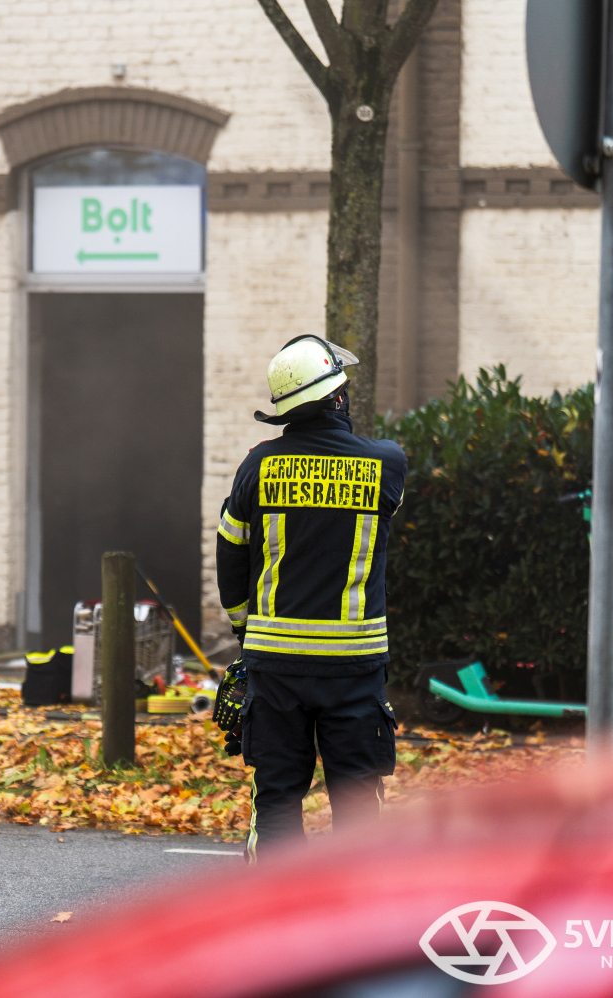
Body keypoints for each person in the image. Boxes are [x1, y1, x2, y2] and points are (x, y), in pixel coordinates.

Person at [214, 335, 407, 860]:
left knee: (276, 799)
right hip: (354, 671)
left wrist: (243, 628)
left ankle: (272, 919)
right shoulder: (387, 464)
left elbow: (230, 552)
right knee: (359, 805)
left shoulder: (258, 466)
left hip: (276, 667)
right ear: (338, 400)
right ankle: (355, 927)